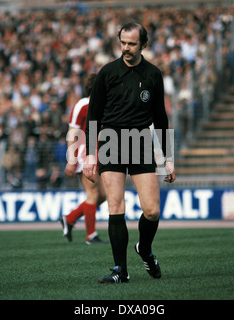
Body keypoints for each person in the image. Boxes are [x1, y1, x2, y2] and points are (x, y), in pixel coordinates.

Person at [83, 22, 176, 284]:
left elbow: (160, 118)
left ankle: (144, 250)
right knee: (115, 206)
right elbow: (93, 115)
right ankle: (120, 271)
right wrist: (91, 154)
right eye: (123, 42)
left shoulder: (153, 74)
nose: (126, 48)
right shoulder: (107, 72)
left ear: (143, 45)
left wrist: (168, 158)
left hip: (141, 142)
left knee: (152, 211)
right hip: (111, 140)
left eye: (132, 43)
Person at [60, 73, 106, 245]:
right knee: (93, 194)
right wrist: (71, 160)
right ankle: (90, 235)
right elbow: (73, 132)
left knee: (103, 194)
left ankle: (70, 218)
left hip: (99, 153)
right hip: (84, 154)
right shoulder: (82, 105)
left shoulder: (102, 105)